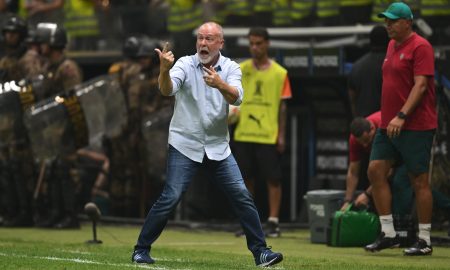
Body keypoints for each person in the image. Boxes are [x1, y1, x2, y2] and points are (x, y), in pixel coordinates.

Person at [131, 22, 283, 267]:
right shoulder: (183, 64)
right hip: (185, 144)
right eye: (200, 38)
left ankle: (261, 252)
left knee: (242, 196)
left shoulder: (231, 67)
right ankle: (141, 249)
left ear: (220, 43)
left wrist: (219, 84)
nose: (203, 43)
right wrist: (163, 70)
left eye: (209, 39)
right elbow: (167, 90)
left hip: (217, 147)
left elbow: (238, 97)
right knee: (171, 196)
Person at [364, 2, 437, 256]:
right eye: (386, 20)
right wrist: (391, 118)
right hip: (388, 123)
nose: (388, 25)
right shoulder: (391, 45)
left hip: (415, 125)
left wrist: (402, 115)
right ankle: (388, 234)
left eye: (393, 21)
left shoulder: (421, 46)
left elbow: (421, 86)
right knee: (375, 170)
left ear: (408, 22)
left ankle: (425, 239)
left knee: (419, 180)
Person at [233, 27, 292, 238]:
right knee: (245, 179)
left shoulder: (280, 73)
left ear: (267, 44)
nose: (255, 47)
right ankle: (248, 221)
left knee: (273, 179)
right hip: (244, 133)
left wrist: (282, 135)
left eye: (258, 43)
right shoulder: (240, 69)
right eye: (251, 43)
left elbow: (283, 107)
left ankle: (273, 222)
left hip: (268, 134)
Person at [341, 113, 450, 219]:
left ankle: (401, 225)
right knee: (414, 186)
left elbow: (387, 172)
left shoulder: (384, 126)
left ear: (372, 129)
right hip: (393, 157)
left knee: (402, 183)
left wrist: (367, 195)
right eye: (361, 143)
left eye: (366, 140)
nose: (365, 145)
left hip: (408, 150)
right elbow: (353, 172)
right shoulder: (354, 139)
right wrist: (348, 200)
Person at [348, 25, 389, 117]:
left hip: (366, 124)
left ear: (370, 41)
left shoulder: (357, 65)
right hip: (389, 123)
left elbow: (352, 97)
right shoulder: (394, 63)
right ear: (388, 41)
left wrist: (357, 119)